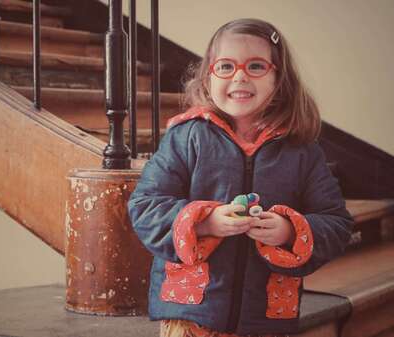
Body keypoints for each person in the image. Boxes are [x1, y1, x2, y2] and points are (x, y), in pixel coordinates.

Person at [127, 18, 354, 337]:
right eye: (226, 66)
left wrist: (288, 231)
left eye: (256, 66)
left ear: (279, 78)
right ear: (208, 76)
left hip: (264, 317)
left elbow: (337, 223)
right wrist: (206, 223)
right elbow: (145, 207)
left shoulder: (302, 151)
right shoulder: (185, 137)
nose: (240, 77)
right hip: (190, 317)